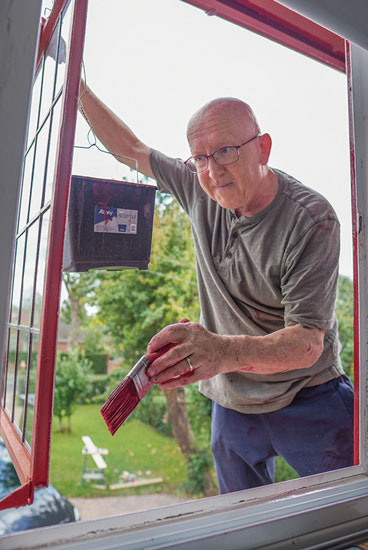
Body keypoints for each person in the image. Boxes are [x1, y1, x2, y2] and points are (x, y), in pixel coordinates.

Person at [79, 83, 354, 494]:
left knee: (354, 510)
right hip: (232, 401)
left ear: (263, 148)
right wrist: (74, 88)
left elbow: (307, 343)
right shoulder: (198, 187)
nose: (213, 170)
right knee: (243, 526)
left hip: (308, 395)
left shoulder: (312, 219)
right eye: (201, 157)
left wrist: (220, 351)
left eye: (226, 150)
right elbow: (130, 148)